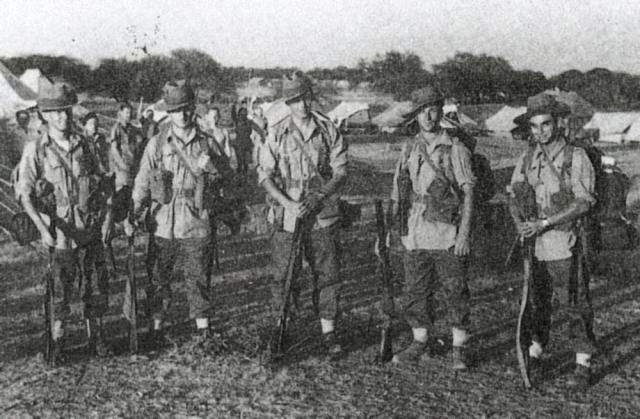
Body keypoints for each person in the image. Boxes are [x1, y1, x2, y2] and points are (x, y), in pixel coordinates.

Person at [132, 80, 233, 348]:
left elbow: (230, 179)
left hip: (197, 221)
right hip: (162, 222)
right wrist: (134, 211)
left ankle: (203, 332)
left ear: (193, 109)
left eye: (187, 109)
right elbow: (143, 180)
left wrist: (212, 168)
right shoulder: (156, 143)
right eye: (177, 110)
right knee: (158, 278)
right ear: (169, 112)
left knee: (198, 277)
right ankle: (156, 328)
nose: (183, 115)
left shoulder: (208, 143)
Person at [16, 84, 112, 363]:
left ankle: (96, 338)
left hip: (89, 229)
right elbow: (25, 194)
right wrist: (43, 229)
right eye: (55, 113)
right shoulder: (36, 149)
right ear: (45, 116)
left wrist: (106, 219)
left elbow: (103, 185)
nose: (63, 118)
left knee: (94, 287)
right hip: (59, 234)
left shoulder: (87, 145)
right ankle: (58, 343)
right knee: (60, 292)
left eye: (66, 111)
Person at [508, 93, 596, 388]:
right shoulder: (527, 157)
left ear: (557, 123)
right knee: (537, 302)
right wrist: (520, 222)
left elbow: (584, 202)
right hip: (535, 245)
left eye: (545, 124)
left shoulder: (576, 157)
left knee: (573, 303)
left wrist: (545, 222)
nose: (540, 131)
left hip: (566, 243)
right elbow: (514, 194)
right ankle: (537, 350)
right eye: (534, 126)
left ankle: (583, 363)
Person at [258, 71, 348, 357]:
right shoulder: (276, 132)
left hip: (322, 214)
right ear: (288, 103)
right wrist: (287, 203)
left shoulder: (328, 129)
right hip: (288, 215)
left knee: (328, 273)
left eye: (305, 98)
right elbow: (264, 175)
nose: (301, 105)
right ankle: (282, 328)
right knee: (285, 275)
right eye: (295, 100)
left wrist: (319, 195)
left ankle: (329, 332)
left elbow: (341, 170)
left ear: (312, 97)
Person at [388, 86, 475, 370]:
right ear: (415, 115)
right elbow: (399, 192)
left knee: (455, 292)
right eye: (421, 110)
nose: (427, 115)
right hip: (415, 231)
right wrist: (394, 231)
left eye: (432, 109)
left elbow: (469, 193)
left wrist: (463, 235)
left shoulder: (455, 148)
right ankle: (420, 340)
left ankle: (460, 346)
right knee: (415, 291)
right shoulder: (410, 147)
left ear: (440, 112)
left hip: (447, 233)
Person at [234, 107, 253, 183]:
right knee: (240, 162)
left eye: (245, 114)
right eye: (242, 114)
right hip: (239, 144)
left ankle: (244, 178)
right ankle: (239, 178)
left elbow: (257, 128)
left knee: (246, 163)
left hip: (247, 144)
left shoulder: (249, 122)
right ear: (239, 114)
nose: (243, 115)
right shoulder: (236, 122)